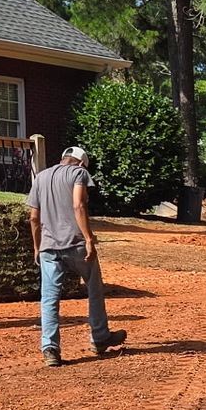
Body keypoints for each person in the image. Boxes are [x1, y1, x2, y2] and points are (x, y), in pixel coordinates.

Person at [28, 145, 126, 367]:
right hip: (76, 243)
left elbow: (34, 217)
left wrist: (37, 246)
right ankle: (100, 338)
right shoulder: (79, 173)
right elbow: (78, 204)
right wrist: (89, 238)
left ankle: (50, 349)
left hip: (48, 246)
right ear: (81, 163)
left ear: (63, 158)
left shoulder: (40, 177)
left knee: (49, 298)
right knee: (94, 287)